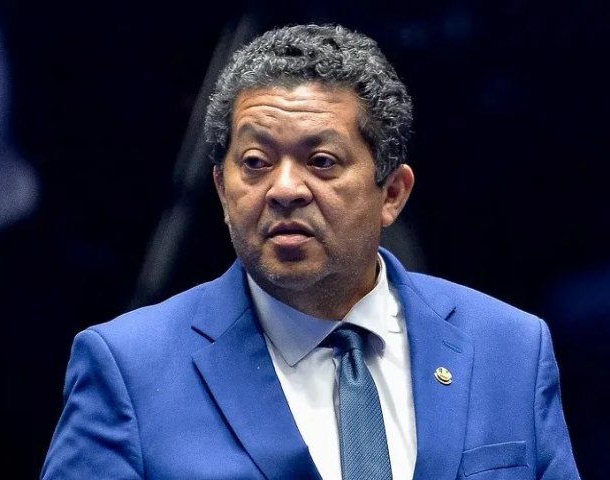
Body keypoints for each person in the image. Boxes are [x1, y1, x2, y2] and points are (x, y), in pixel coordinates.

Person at [41, 24, 580, 479]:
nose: (284, 189)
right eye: (255, 162)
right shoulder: (129, 368)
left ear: (392, 193)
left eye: (321, 161)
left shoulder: (510, 348)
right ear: (223, 190)